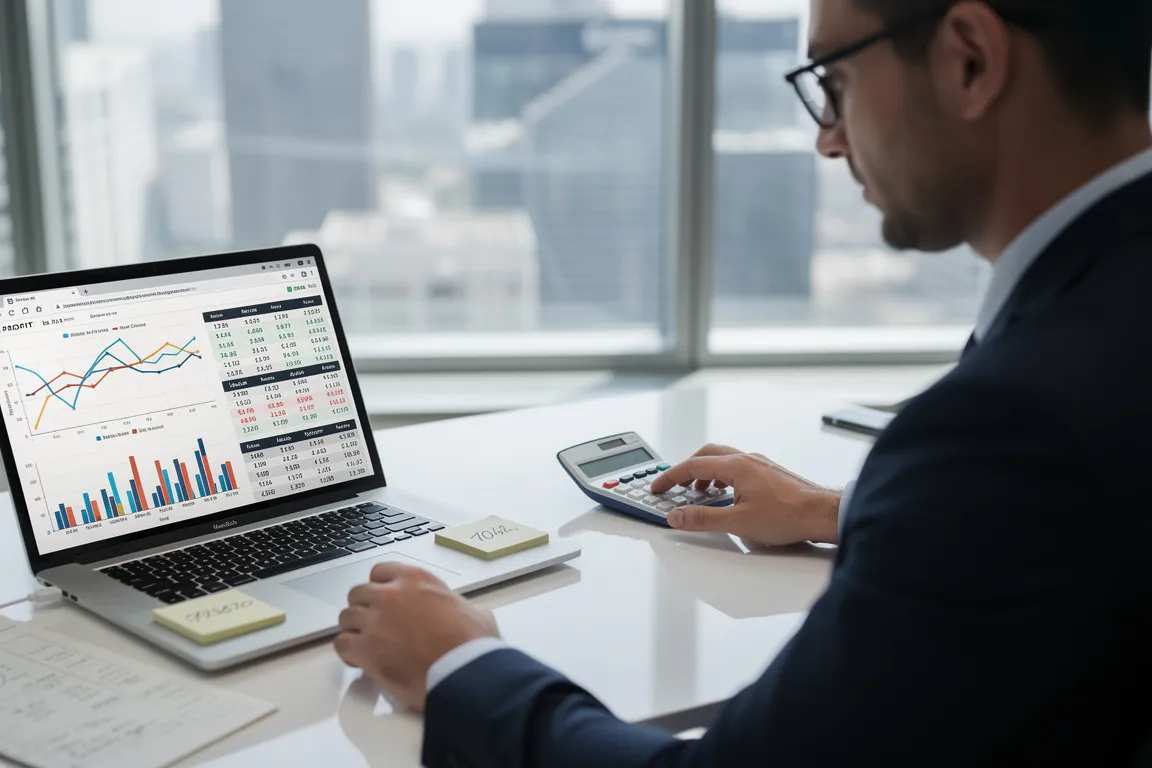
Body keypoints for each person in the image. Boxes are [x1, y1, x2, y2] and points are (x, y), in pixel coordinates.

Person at [333, 0, 1152, 764]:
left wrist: (460, 665)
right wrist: (840, 510)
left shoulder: (1011, 424)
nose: (828, 139)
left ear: (970, 61)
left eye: (835, 81)